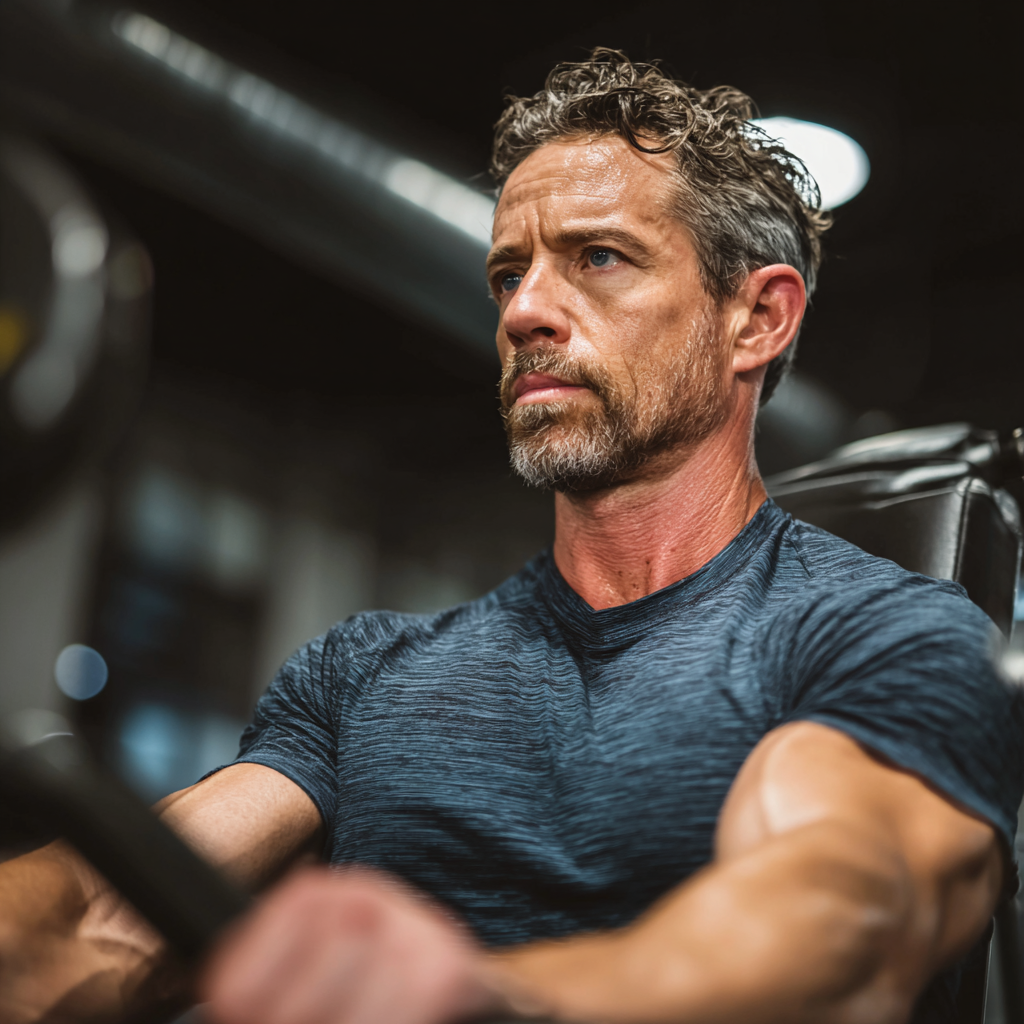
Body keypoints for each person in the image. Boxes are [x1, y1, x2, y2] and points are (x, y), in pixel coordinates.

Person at [2, 49, 1022, 1024]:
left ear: (756, 319)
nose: (526, 308)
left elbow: (838, 918)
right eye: (508, 273)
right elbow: (101, 915)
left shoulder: (881, 634)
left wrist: (486, 997)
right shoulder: (363, 675)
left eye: (599, 258)